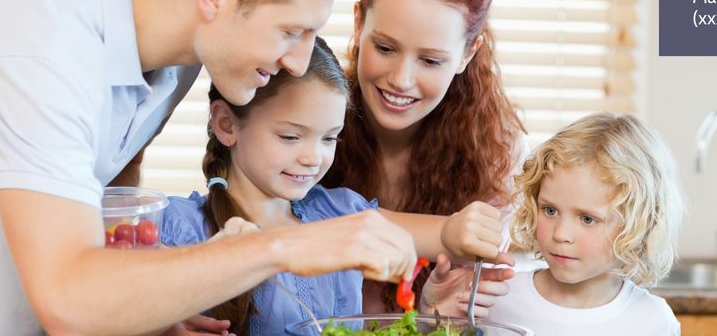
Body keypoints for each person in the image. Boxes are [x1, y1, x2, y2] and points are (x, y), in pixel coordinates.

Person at [0, 0, 500, 334]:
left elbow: (112, 166)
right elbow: (69, 300)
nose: (297, 61)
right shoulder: (41, 57)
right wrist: (284, 245)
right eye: (291, 31)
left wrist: (150, 302)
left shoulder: (172, 28)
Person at [162, 38, 510, 334]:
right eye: (290, 136)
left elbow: (445, 236)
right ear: (227, 124)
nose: (313, 157)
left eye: (330, 138)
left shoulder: (341, 213)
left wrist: (428, 315)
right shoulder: (179, 228)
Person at [321, 0, 526, 313]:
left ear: (468, 53)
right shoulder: (307, 115)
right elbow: (293, 229)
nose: (400, 79)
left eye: (431, 60)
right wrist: (443, 235)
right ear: (358, 22)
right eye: (384, 47)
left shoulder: (496, 154)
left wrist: (432, 314)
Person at [487, 112, 686, 335]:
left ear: (637, 224)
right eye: (550, 210)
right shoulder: (496, 300)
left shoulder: (653, 322)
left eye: (587, 219)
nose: (561, 234)